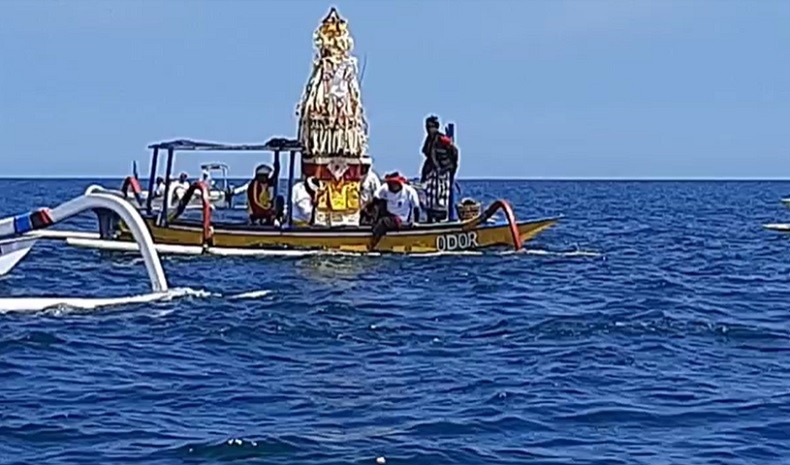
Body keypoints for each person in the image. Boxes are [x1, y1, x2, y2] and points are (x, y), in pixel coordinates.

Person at [420, 115, 459, 222]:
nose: (429, 129)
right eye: (428, 127)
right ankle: (430, 218)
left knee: (440, 196)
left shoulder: (442, 139)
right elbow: (426, 152)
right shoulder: (429, 140)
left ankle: (440, 218)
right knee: (428, 196)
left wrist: (449, 167)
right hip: (432, 171)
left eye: (431, 127)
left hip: (442, 171)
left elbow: (454, 152)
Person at [368, 172, 420, 250]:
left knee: (383, 222)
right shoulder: (385, 188)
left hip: (400, 218)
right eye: (390, 184)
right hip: (387, 213)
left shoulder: (409, 191)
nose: (392, 186)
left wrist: (416, 222)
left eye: (394, 183)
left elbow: (416, 207)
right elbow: (376, 198)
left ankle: (373, 243)